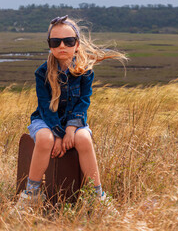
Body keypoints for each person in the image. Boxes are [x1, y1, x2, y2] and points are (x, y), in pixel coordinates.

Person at [16, 15, 126, 208]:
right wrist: (58, 134)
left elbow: (83, 103)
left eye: (68, 41)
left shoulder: (85, 71)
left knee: (83, 139)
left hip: (75, 121)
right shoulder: (42, 72)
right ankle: (31, 194)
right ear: (49, 45)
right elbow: (45, 107)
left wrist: (70, 129)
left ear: (77, 44)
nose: (62, 46)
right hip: (45, 120)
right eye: (55, 42)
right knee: (45, 139)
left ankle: (96, 197)